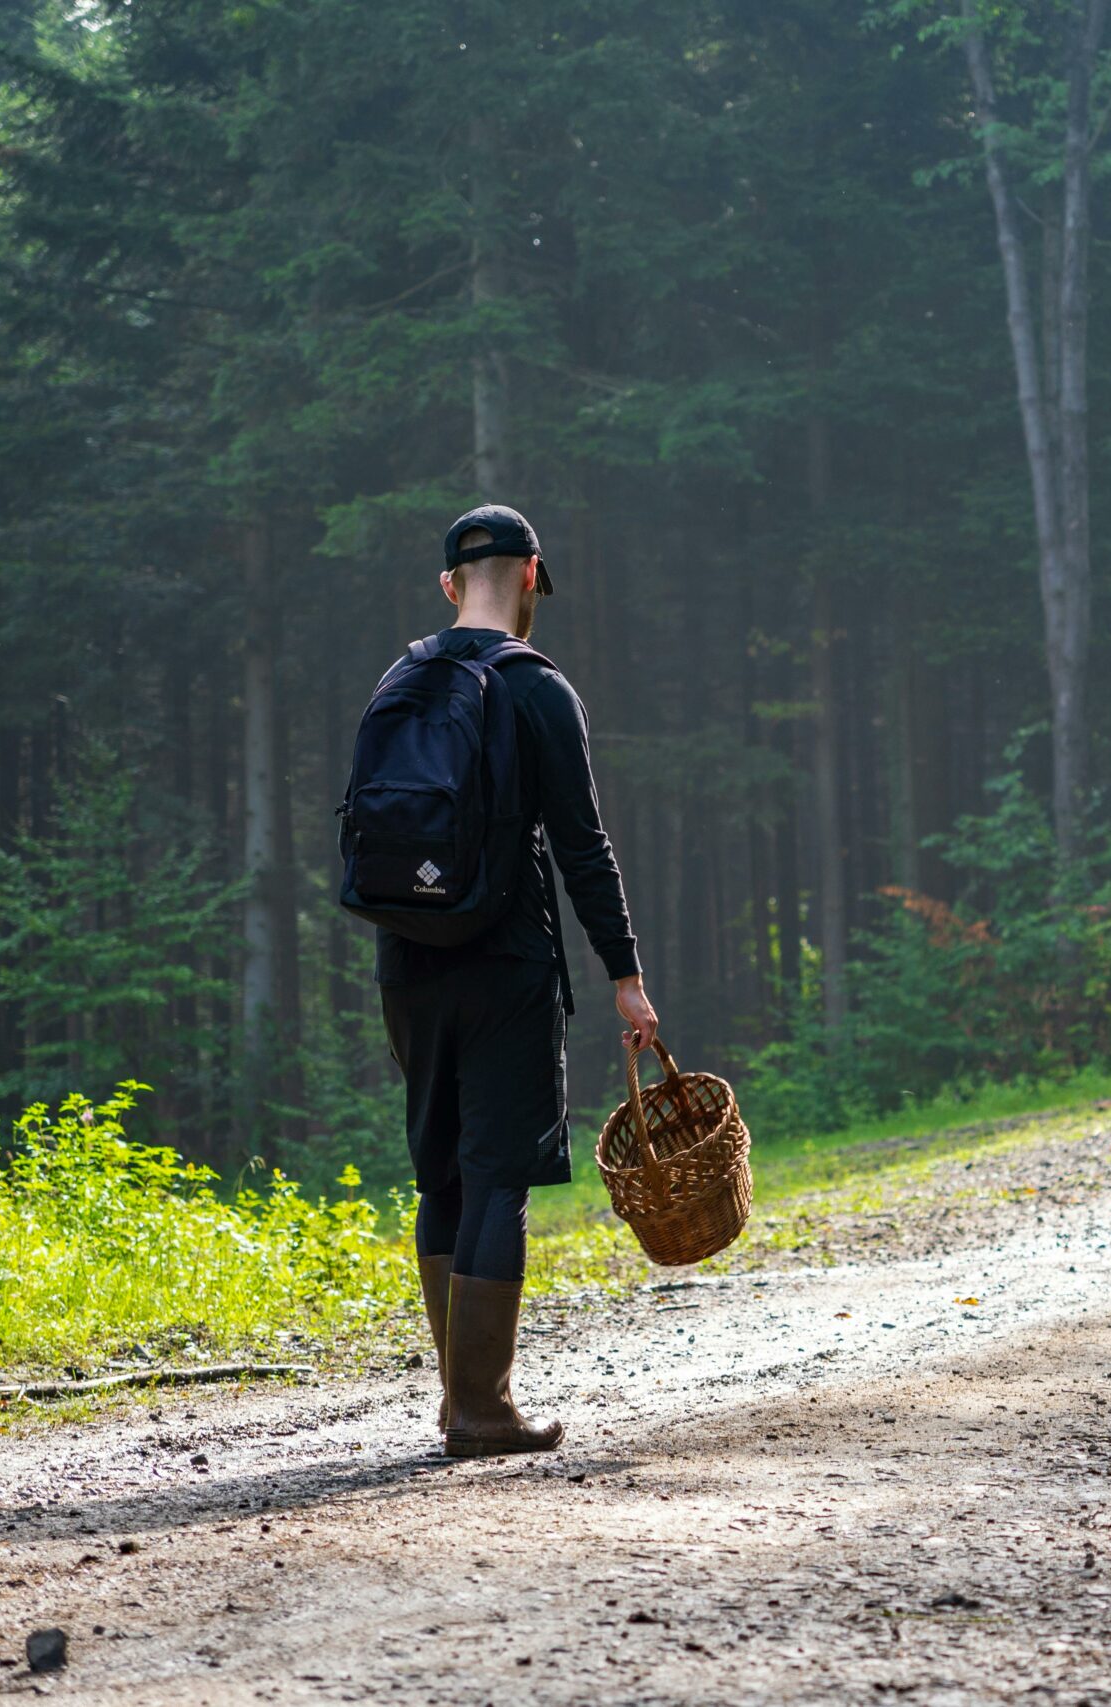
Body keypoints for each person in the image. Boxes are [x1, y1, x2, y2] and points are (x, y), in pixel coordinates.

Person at [374, 503, 659, 1458]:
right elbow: (583, 848)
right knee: (499, 1178)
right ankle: (482, 1409)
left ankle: (460, 1398)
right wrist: (625, 975)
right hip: (504, 961)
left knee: (441, 1174)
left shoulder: (402, 676)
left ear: (451, 586)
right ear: (532, 575)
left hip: (406, 960)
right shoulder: (538, 688)